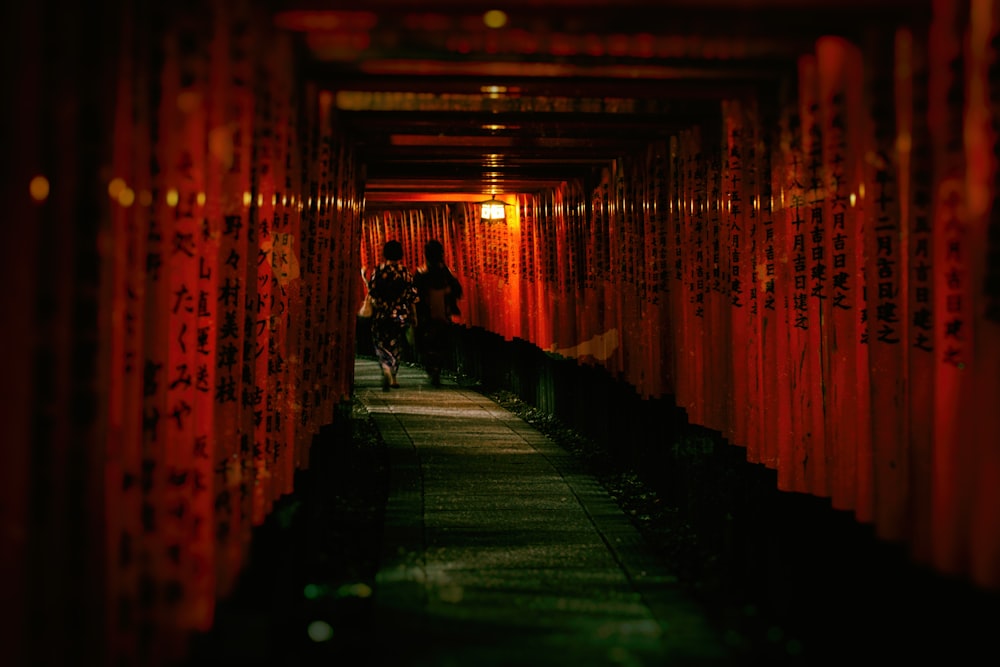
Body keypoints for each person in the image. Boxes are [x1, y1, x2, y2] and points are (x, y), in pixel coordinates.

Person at [366, 240, 418, 391]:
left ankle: (386, 367)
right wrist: (414, 316)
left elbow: (372, 292)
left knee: (380, 343)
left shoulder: (379, 271)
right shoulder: (405, 272)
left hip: (381, 314)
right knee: (396, 344)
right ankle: (393, 375)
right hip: (399, 315)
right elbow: (412, 296)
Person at [413, 239, 463, 387]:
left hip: (425, 315)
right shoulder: (445, 272)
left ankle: (432, 369)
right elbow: (457, 290)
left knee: (426, 344)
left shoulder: (421, 273)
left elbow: (414, 294)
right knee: (441, 343)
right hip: (443, 314)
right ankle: (436, 370)